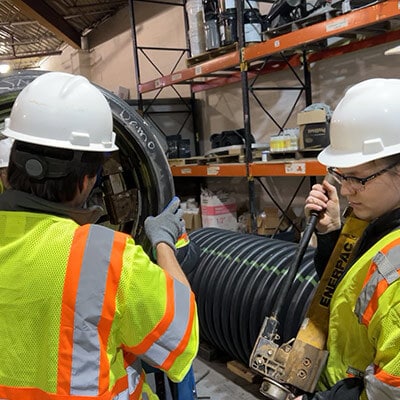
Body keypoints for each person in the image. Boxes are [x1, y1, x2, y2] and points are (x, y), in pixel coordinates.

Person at [0, 71, 199, 400]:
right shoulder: (107, 257)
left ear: (14, 162)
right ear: (85, 180)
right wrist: (162, 242)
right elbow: (180, 334)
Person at [295, 78, 400, 400]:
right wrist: (332, 235)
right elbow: (349, 293)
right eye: (341, 176)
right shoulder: (380, 221)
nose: (345, 189)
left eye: (357, 178)